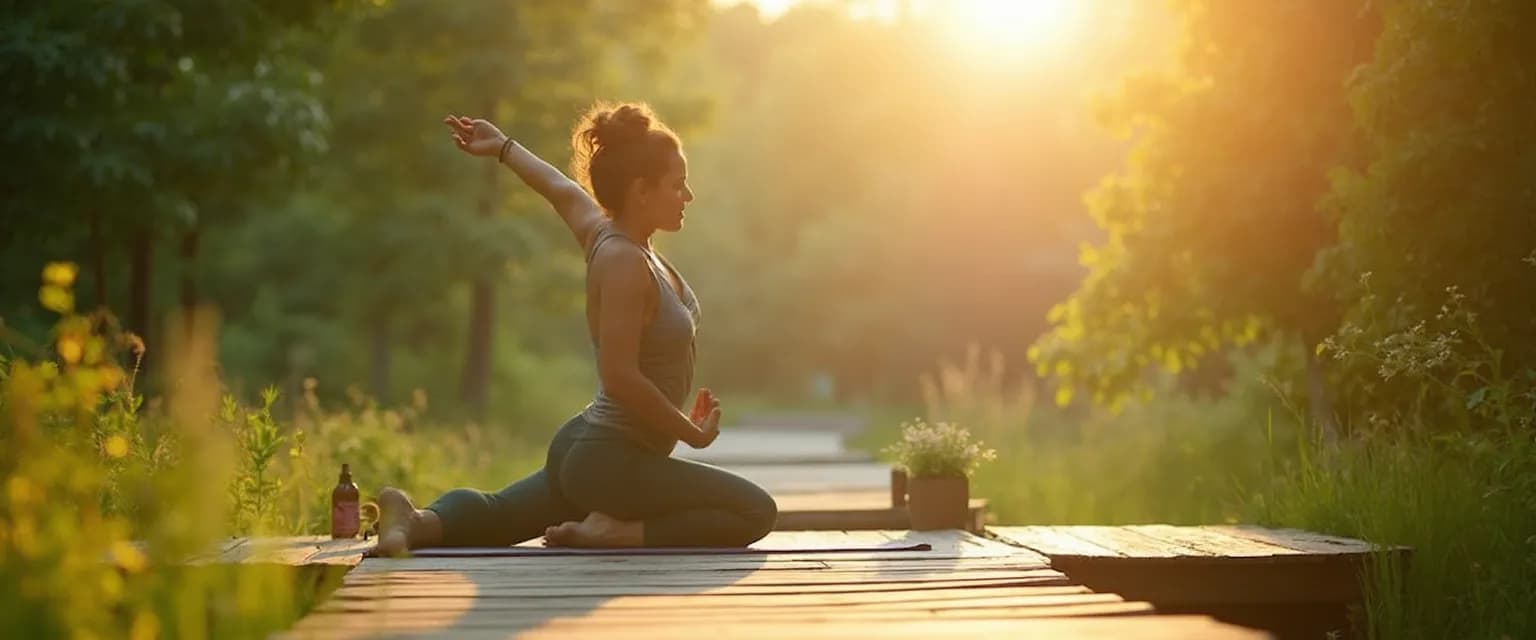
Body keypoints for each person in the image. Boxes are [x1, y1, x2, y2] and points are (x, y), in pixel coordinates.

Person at [371, 102, 777, 555]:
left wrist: (503, 147)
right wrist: (690, 432)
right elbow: (619, 376)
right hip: (611, 458)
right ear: (641, 191)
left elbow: (558, 186)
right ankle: (615, 532)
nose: (688, 196)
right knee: (754, 511)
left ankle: (415, 521)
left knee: (501, 514)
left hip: (589, 447)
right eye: (677, 186)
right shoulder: (624, 261)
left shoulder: (609, 235)